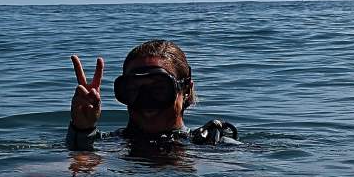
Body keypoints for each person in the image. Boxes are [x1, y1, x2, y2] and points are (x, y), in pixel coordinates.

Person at [66, 39, 238, 152]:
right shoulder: (103, 145)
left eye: (158, 89)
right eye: (134, 90)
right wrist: (82, 129)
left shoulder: (215, 147)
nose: (146, 102)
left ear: (186, 90)